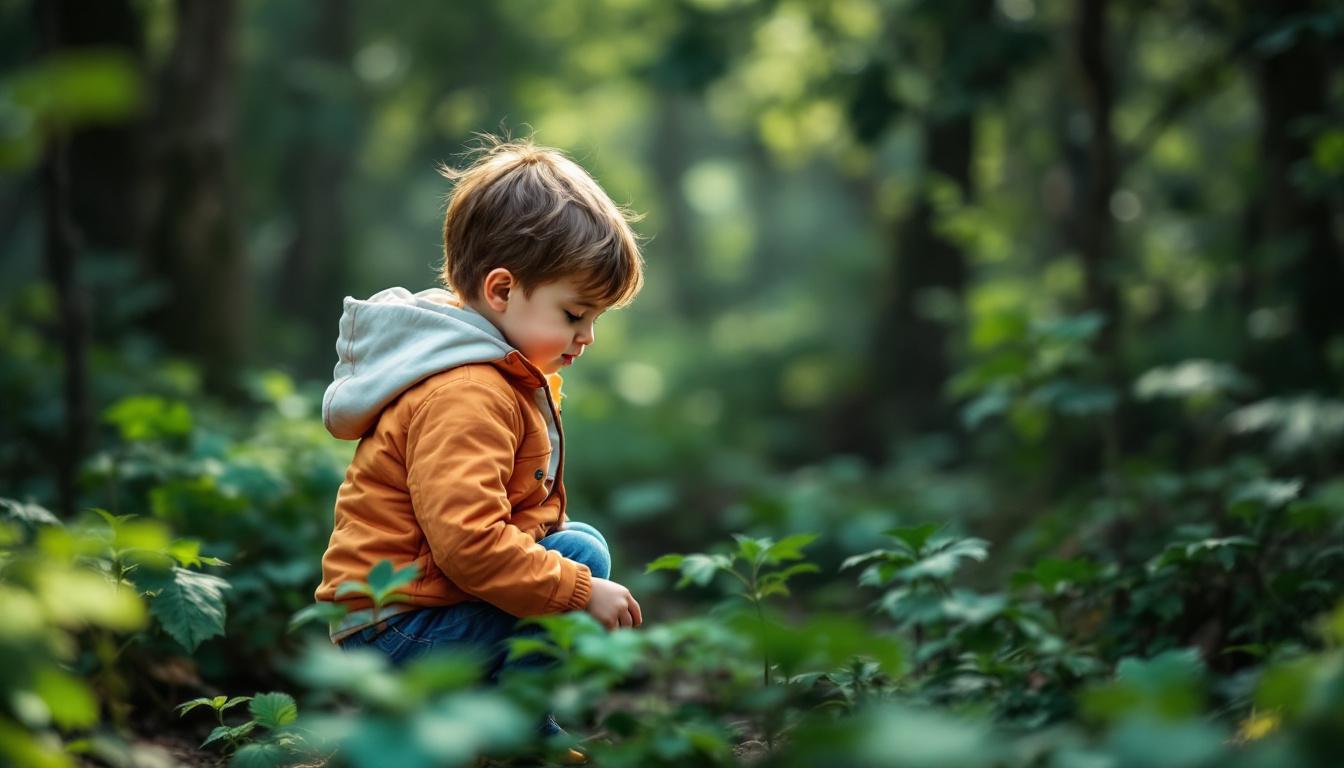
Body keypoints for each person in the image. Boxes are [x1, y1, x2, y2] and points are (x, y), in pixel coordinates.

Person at [312, 136, 645, 757]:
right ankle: (517, 738)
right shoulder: (467, 392)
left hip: (413, 612)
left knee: (581, 546)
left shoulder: (490, 368)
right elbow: (467, 545)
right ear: (500, 291)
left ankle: (497, 725)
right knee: (581, 564)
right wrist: (576, 593)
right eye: (574, 314)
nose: (589, 336)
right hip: (398, 633)